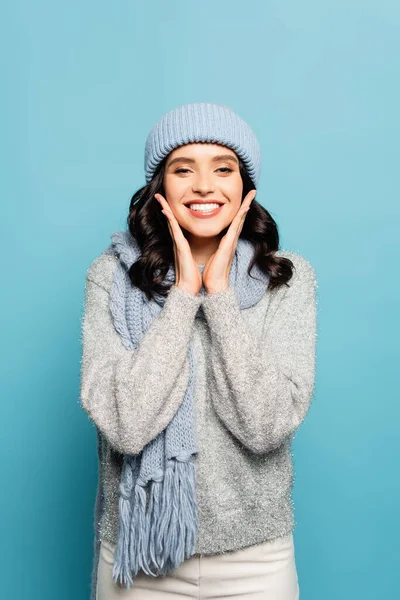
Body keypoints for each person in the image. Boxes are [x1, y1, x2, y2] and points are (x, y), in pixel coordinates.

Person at [79, 102, 318, 600]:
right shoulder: (111, 277)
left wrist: (221, 299)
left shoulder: (287, 280)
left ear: (245, 187)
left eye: (222, 168)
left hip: (256, 559)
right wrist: (185, 295)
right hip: (139, 557)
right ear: (159, 187)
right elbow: (126, 424)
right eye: (182, 168)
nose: (204, 185)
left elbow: (266, 425)